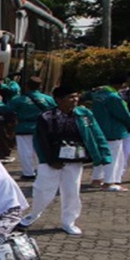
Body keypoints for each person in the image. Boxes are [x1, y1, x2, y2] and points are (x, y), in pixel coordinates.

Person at [22, 86, 110, 236]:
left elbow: (96, 133)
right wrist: (49, 160)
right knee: (43, 190)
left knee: (71, 191)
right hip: (52, 160)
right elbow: (40, 141)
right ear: (58, 100)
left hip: (75, 158)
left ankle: (69, 221)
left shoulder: (84, 114)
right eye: (70, 97)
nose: (75, 100)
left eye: (76, 96)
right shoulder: (46, 117)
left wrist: (103, 154)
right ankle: (34, 213)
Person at [84, 77, 130, 192]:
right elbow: (123, 114)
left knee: (100, 155)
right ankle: (109, 182)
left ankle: (96, 179)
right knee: (113, 157)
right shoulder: (113, 97)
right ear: (122, 84)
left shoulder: (98, 94)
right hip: (113, 130)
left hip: (99, 129)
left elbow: (84, 96)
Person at [0, 78, 55, 180]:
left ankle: (28, 173)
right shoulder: (48, 99)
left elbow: (3, 109)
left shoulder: (18, 100)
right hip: (42, 128)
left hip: (24, 128)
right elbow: (55, 111)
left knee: (25, 152)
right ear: (40, 86)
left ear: (26, 86)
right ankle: (42, 172)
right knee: (41, 151)